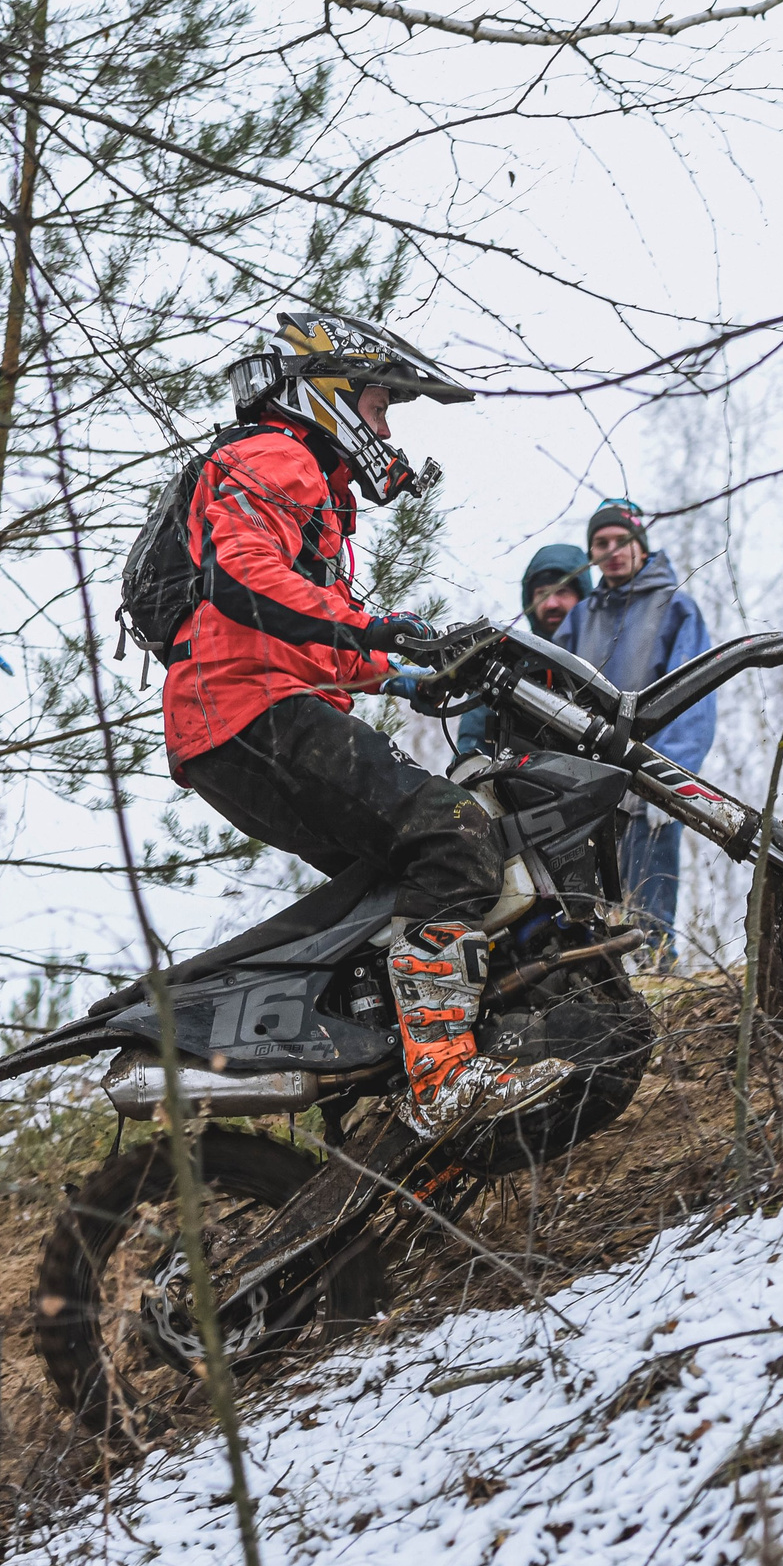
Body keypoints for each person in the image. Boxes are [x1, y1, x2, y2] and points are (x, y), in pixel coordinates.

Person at [162, 308, 568, 1140]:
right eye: (382, 408)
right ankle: (444, 1075)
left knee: (385, 889)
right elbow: (247, 585)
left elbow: (311, 630)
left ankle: (376, 1070)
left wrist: (407, 674)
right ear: (333, 398)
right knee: (454, 831)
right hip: (247, 708)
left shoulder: (312, 488)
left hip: (240, 711)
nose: (387, 430)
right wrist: (383, 630)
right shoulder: (277, 455)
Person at [552, 499, 716, 960]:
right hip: (587, 791)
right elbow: (554, 700)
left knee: (649, 912)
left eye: (623, 540)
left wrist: (670, 780)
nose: (613, 550)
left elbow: (695, 699)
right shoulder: (580, 619)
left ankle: (661, 983)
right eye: (601, 543)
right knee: (590, 916)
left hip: (648, 786)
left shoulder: (677, 608)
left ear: (640, 545)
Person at [452, 541, 592, 761]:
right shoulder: (513, 660)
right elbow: (475, 735)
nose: (551, 603)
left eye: (562, 591)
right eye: (542, 593)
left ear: (582, 596)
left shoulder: (603, 654)